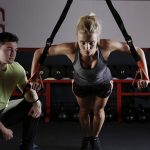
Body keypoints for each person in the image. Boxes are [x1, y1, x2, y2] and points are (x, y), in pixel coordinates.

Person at [31, 13, 149, 150]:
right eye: (83, 43)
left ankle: (95, 138)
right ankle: (86, 138)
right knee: (84, 111)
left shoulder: (106, 45)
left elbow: (138, 51)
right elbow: (39, 52)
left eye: (91, 43)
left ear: (97, 39)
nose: (87, 48)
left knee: (99, 111)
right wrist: (33, 76)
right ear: (77, 39)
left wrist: (145, 75)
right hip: (81, 84)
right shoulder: (71, 48)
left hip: (103, 83)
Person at [0, 32, 42, 150]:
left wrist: (37, 103)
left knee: (33, 102)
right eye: (9, 49)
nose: (13, 54)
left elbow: (27, 90)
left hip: (3, 110)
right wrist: (3, 129)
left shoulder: (16, 68)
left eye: (15, 50)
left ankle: (28, 147)